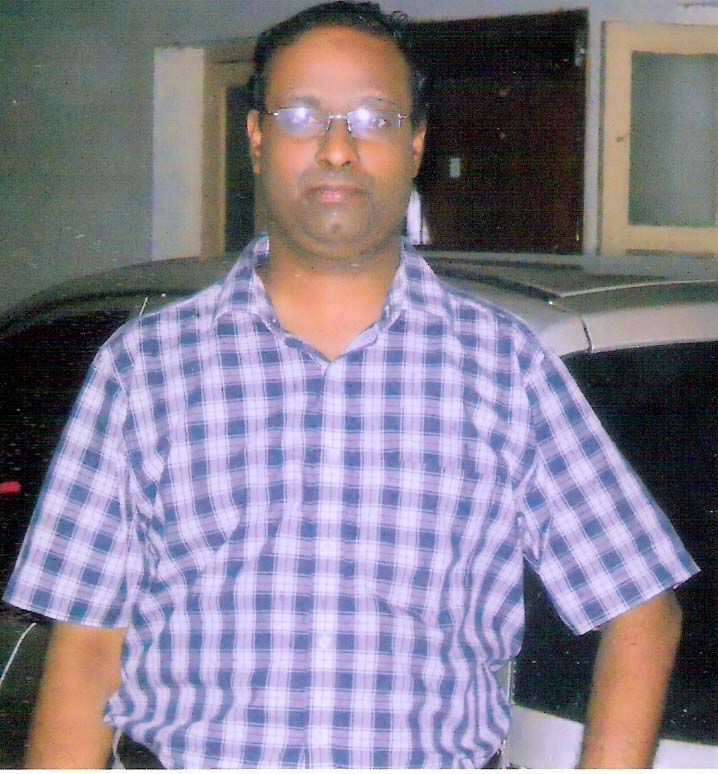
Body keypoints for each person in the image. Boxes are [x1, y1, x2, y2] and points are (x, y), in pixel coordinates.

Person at [4, 2, 697, 769]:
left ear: (416, 142)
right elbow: (88, 648)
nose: (337, 149)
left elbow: (642, 609)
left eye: (373, 118)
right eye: (303, 116)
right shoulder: (145, 369)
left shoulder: (504, 369)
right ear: (257, 138)